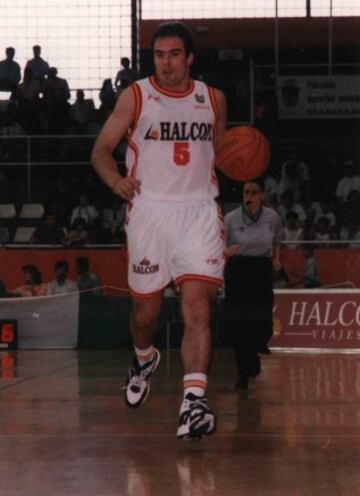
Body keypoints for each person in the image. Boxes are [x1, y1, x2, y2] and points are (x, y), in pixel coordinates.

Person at [91, 22, 227, 440]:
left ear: (189, 58)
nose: (165, 63)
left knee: (197, 305)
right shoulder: (135, 96)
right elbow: (99, 151)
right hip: (149, 212)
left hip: (199, 211)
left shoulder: (213, 99)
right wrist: (116, 181)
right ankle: (144, 357)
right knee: (144, 315)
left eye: (173, 55)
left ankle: (194, 403)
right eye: (159, 56)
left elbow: (220, 154)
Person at [224, 177, 283, 390]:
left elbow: (277, 240)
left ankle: (258, 346)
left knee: (262, 319)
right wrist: (225, 252)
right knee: (239, 324)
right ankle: (242, 376)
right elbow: (217, 246)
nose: (248, 196)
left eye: (253, 192)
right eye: (245, 192)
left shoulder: (272, 217)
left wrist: (276, 258)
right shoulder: (230, 219)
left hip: (261, 269)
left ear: (261, 195)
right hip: (238, 270)